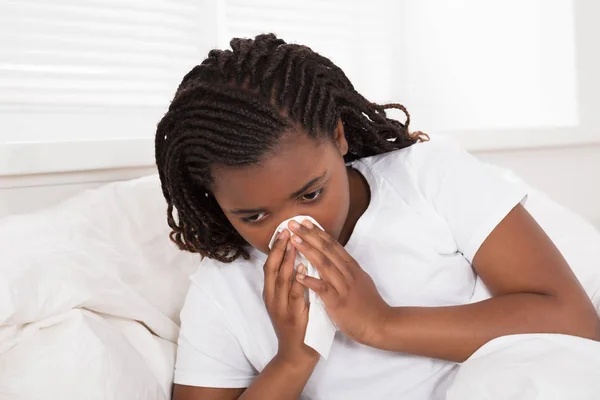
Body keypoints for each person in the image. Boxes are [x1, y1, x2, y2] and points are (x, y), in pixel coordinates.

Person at [154, 34, 600, 400]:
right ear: (213, 199)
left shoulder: (427, 178)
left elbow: (574, 322)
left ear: (339, 138)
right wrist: (294, 358)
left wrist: (380, 323)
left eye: (311, 192)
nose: (290, 227)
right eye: (253, 215)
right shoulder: (224, 287)